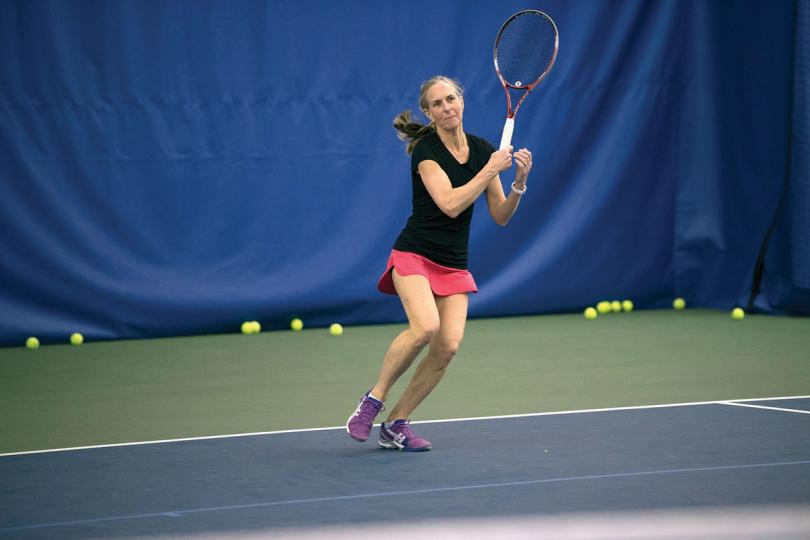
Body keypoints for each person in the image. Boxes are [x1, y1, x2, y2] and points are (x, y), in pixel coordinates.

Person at [346, 75, 533, 451]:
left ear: (461, 101)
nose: (446, 107)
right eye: (437, 103)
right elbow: (450, 204)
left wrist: (517, 183)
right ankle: (372, 401)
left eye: (451, 98)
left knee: (447, 346)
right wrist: (490, 169)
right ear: (429, 113)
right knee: (426, 326)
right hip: (414, 253)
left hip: (453, 263)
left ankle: (396, 424)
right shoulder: (426, 151)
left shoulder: (482, 150)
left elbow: (499, 215)